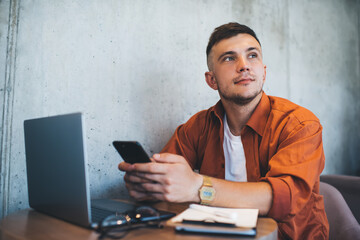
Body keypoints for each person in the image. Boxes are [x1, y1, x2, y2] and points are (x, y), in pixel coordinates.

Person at [119, 22, 329, 239]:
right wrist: (148, 184)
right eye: (229, 58)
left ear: (263, 73)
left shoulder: (299, 124)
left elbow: (284, 198)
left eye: (252, 55)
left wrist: (198, 187)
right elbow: (166, 179)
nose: (243, 65)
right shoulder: (198, 127)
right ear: (212, 80)